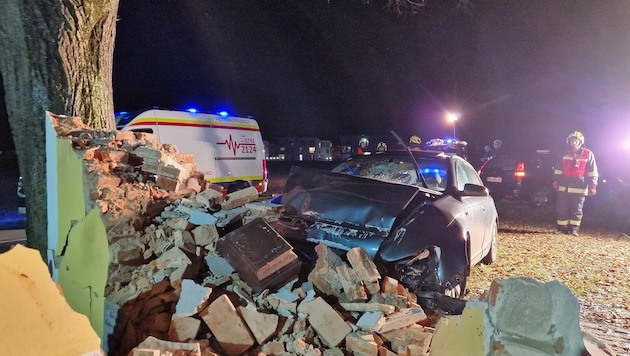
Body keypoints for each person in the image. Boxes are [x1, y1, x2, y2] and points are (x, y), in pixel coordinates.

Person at [552, 131, 598, 236]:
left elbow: (593, 172)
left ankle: (574, 229)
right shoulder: (563, 153)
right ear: (568, 141)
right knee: (561, 208)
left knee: (577, 210)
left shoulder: (587, 154)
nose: (574, 143)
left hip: (579, 187)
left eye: (576, 141)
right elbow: (558, 169)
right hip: (564, 186)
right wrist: (555, 181)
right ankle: (561, 228)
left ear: (580, 142)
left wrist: (593, 186)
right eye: (572, 140)